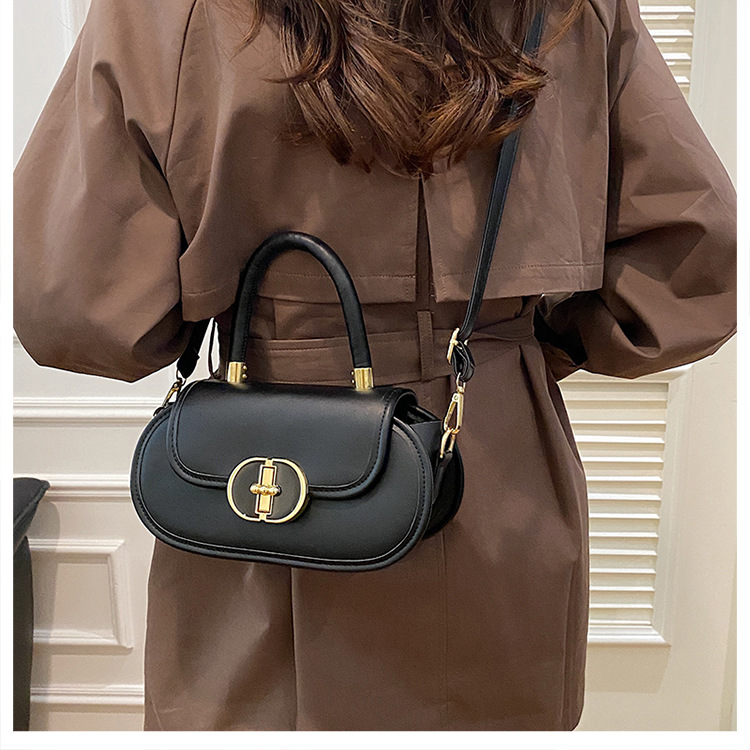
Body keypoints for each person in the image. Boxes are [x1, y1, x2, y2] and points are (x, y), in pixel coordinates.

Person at [13, 0, 736, 732]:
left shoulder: (160, 12)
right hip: (494, 460)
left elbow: (76, 309)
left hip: (260, 477)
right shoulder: (573, 10)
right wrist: (511, 343)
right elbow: (690, 264)